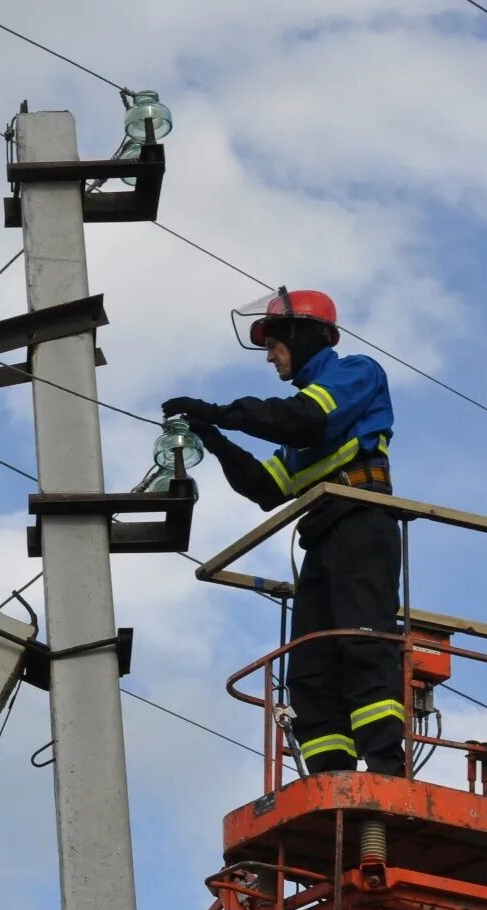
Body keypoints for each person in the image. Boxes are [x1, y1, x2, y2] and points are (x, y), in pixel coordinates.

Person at [163, 288, 404, 776]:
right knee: (311, 665)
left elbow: (304, 419)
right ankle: (329, 777)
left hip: (362, 524)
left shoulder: (356, 373)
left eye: (275, 343)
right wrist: (214, 438)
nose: (270, 356)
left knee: (361, 642)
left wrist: (222, 411)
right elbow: (266, 487)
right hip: (324, 537)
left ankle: (384, 768)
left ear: (305, 334)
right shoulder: (304, 435)